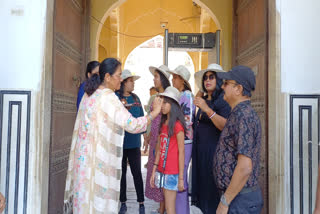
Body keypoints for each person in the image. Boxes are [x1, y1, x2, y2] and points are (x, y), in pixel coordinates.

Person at [63, 58, 163, 214]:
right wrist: (155, 112)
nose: (121, 79)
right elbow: (133, 124)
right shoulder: (108, 98)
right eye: (119, 75)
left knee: (84, 203)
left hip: (83, 162)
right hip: (99, 162)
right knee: (98, 204)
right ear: (107, 77)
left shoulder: (89, 95)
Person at [214, 65, 263, 214]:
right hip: (237, 197)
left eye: (226, 83)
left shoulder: (244, 116)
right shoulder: (239, 113)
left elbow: (245, 167)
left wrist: (225, 202)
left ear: (238, 89)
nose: (222, 87)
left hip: (240, 199)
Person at [191, 64, 231, 214]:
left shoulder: (222, 100)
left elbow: (225, 125)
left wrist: (207, 109)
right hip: (201, 155)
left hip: (214, 155)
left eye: (211, 77)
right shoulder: (203, 99)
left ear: (219, 79)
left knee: (212, 192)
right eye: (205, 78)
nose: (207, 80)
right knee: (203, 191)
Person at [150, 86, 186, 214]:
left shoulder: (177, 126)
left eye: (165, 102)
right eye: (162, 102)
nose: (162, 105)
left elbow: (181, 153)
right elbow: (159, 150)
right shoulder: (163, 124)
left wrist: (181, 178)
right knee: (166, 207)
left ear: (173, 105)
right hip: (161, 171)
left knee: (170, 209)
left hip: (172, 173)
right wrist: (154, 171)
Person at [115, 69, 146, 214]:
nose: (133, 83)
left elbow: (141, 118)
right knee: (121, 174)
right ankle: (123, 202)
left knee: (137, 173)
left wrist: (145, 136)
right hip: (120, 143)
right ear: (124, 83)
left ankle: (141, 203)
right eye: (131, 81)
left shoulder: (136, 99)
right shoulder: (115, 97)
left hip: (134, 143)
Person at [168, 65, 195, 214]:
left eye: (175, 78)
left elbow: (188, 119)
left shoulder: (187, 96)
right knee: (179, 177)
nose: (173, 80)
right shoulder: (179, 95)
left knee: (181, 178)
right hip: (179, 141)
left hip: (185, 141)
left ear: (182, 81)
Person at [145, 65, 171, 214]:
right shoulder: (155, 97)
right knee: (156, 172)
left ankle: (163, 209)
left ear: (162, 79)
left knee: (162, 171)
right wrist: (148, 137)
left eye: (156, 76)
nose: (154, 79)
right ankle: (162, 207)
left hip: (163, 139)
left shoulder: (168, 97)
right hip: (155, 138)